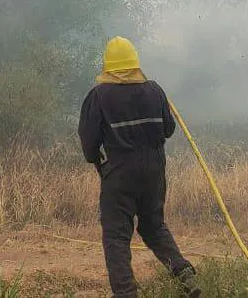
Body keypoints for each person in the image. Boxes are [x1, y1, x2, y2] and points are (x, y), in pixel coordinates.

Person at [79, 36, 201, 298]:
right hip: (155, 169)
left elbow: (89, 142)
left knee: (116, 235)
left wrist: (97, 162)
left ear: (107, 67)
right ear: (135, 64)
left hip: (120, 171)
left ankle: (125, 294)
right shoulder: (155, 90)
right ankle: (185, 276)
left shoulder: (99, 95)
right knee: (153, 226)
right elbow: (168, 129)